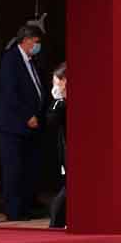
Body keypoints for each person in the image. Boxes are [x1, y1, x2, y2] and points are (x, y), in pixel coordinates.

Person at [0, 24, 46, 220]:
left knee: (27, 169)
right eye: (35, 41)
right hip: (12, 126)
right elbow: (10, 92)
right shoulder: (11, 60)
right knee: (13, 169)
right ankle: (14, 211)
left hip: (29, 127)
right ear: (26, 40)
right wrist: (27, 115)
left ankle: (25, 208)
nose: (37, 45)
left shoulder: (31, 61)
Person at [48, 63, 67, 228]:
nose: (55, 86)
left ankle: (56, 223)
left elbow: (52, 120)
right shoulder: (62, 104)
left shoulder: (62, 104)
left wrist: (58, 101)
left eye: (57, 82)